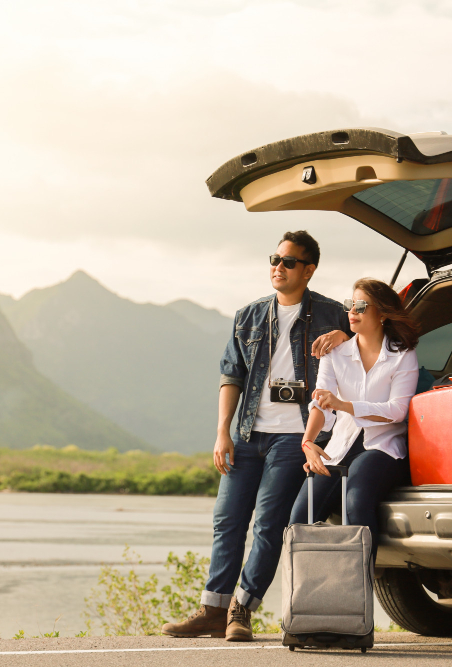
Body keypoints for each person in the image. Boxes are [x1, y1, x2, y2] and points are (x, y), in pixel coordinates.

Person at [161, 231, 351, 642]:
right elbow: (232, 376)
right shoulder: (247, 315)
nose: (277, 267)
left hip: (297, 434)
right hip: (247, 434)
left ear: (309, 269)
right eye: (274, 259)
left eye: (288, 261)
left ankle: (241, 610)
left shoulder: (334, 313)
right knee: (227, 521)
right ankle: (213, 609)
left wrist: (347, 337)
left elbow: (376, 341)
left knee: (268, 524)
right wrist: (222, 433)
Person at [290, 278, 420, 563]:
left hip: (384, 447)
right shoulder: (335, 353)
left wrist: (344, 405)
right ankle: (307, 591)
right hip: (340, 447)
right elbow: (320, 403)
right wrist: (308, 441)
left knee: (356, 499)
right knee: (299, 518)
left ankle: (360, 583)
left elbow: (398, 410)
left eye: (361, 305)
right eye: (350, 304)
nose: (352, 310)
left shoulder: (403, 356)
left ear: (383, 313)